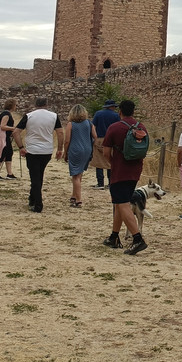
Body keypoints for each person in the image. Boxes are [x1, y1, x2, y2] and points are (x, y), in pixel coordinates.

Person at [102, 100, 148, 254]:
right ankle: (114, 237)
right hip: (135, 170)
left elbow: (106, 152)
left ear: (119, 111)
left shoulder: (114, 128)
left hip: (119, 171)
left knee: (122, 204)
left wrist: (113, 163)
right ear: (133, 111)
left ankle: (137, 239)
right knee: (119, 203)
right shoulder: (141, 127)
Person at [13, 96, 64, 213]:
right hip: (46, 150)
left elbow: (16, 132)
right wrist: (60, 148)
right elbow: (60, 132)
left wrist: (21, 147)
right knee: (39, 175)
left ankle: (38, 204)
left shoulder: (29, 116)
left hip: (32, 150)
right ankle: (32, 198)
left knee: (35, 177)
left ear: (35, 104)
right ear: (47, 104)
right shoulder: (54, 116)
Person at [64, 104, 97, 207]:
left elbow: (67, 140)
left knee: (75, 175)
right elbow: (95, 137)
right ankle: (74, 195)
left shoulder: (71, 124)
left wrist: (65, 152)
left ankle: (78, 200)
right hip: (87, 150)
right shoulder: (89, 123)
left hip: (75, 150)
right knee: (80, 173)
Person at [91, 98, 120, 189]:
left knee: (98, 161)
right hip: (111, 139)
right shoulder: (116, 116)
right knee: (110, 161)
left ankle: (100, 183)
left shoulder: (98, 114)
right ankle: (111, 182)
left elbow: (93, 126)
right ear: (112, 107)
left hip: (99, 138)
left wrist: (94, 138)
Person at [0, 98, 18, 180]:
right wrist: (13, 128)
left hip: (5, 136)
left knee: (9, 153)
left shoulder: (6, 113)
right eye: (15, 105)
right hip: (3, 137)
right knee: (2, 154)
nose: (16, 107)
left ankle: (9, 173)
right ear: (12, 106)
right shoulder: (6, 114)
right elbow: (3, 126)